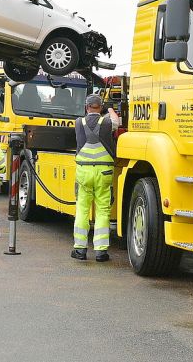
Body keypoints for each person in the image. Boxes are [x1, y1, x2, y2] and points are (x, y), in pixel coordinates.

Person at [72, 94, 119, 262]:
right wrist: (111, 109)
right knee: (103, 211)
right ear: (100, 107)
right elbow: (116, 121)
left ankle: (80, 249)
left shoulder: (78, 122)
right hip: (103, 173)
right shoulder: (107, 122)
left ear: (86, 107)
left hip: (84, 173)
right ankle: (100, 251)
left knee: (82, 210)